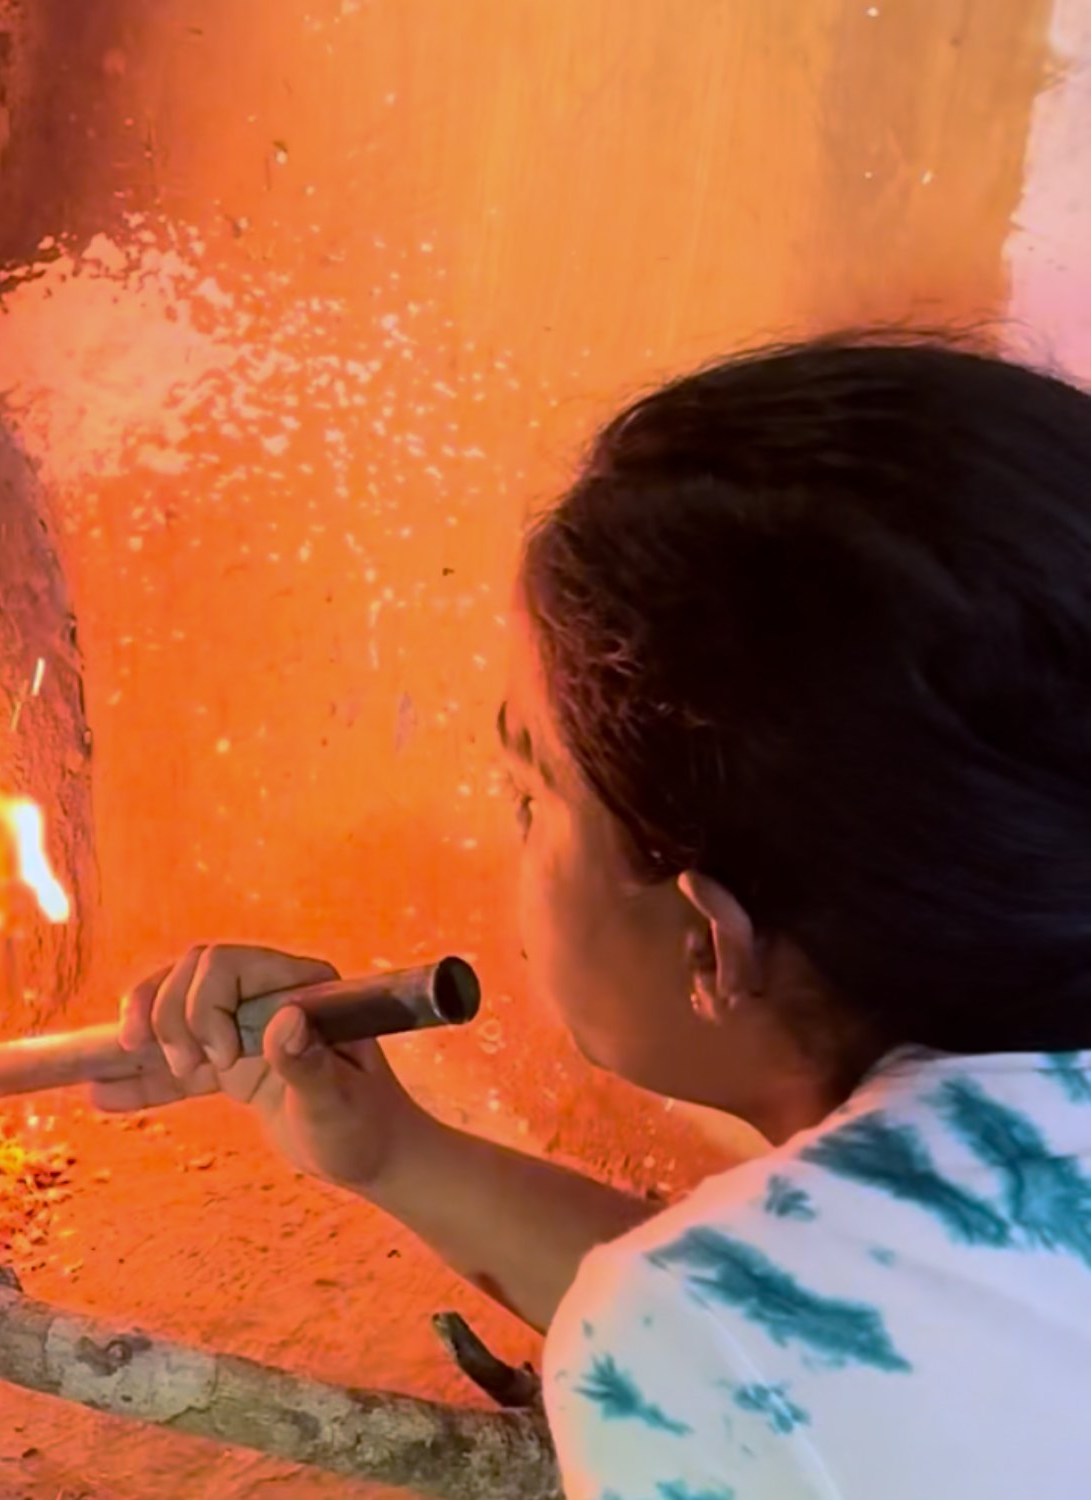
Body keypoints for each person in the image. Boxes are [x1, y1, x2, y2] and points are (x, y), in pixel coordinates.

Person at [95, 337, 1091, 1500]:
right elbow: (831, 1340)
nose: (509, 833)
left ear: (706, 943)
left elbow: (733, 1360)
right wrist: (392, 1151)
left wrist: (657, 1332)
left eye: (530, 793)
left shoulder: (691, 1350)